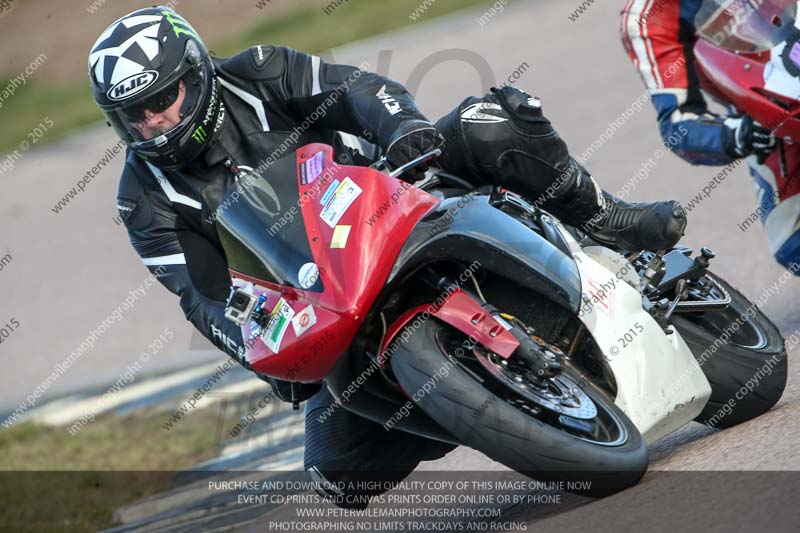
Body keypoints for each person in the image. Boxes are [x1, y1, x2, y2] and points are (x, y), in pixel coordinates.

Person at [89, 6, 687, 509]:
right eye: (133, 115)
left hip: (397, 198)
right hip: (328, 304)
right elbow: (204, 297)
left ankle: (606, 217)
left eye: (163, 98)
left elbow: (357, 90)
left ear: (196, 73)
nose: (154, 121)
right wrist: (265, 356)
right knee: (338, 475)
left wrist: (404, 128)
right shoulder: (142, 202)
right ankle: (470, 402)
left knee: (487, 121)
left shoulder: (260, 71)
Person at [619, 0, 800, 272]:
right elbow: (679, 124)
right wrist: (738, 135)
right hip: (770, 113)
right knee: (790, 242)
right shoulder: (644, 17)